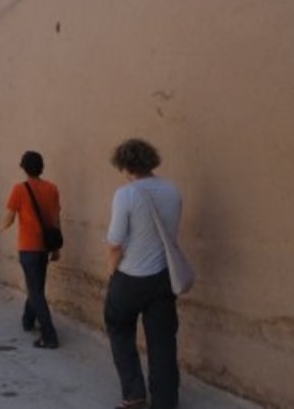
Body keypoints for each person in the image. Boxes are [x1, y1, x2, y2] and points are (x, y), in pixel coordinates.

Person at [104, 139, 182, 409]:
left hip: (130, 278)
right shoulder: (172, 190)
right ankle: (166, 402)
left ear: (124, 165)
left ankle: (134, 395)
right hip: (163, 279)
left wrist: (112, 273)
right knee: (163, 342)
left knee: (120, 330)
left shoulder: (126, 194)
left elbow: (115, 243)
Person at [0, 151, 61, 349]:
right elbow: (56, 219)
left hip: (28, 246)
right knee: (37, 287)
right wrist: (56, 247)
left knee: (36, 291)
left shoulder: (19, 189)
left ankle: (49, 336)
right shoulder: (52, 188)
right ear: (41, 167)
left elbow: (9, 218)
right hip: (45, 247)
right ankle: (27, 320)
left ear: (24, 168)